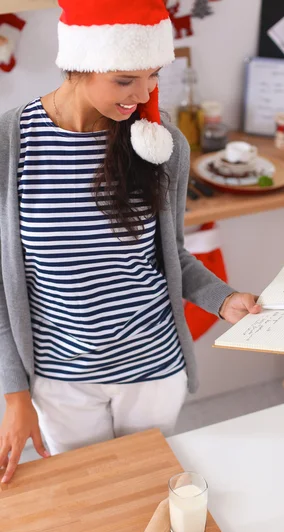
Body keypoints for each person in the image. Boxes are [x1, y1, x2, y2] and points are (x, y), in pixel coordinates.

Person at [0, 0, 260, 483]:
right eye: (125, 80)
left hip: (154, 370)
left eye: (153, 76)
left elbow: (171, 255)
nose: (143, 95)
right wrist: (15, 396)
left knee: (148, 493)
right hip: (63, 383)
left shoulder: (162, 145)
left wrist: (223, 300)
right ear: (78, 64)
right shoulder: (9, 143)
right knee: (90, 501)